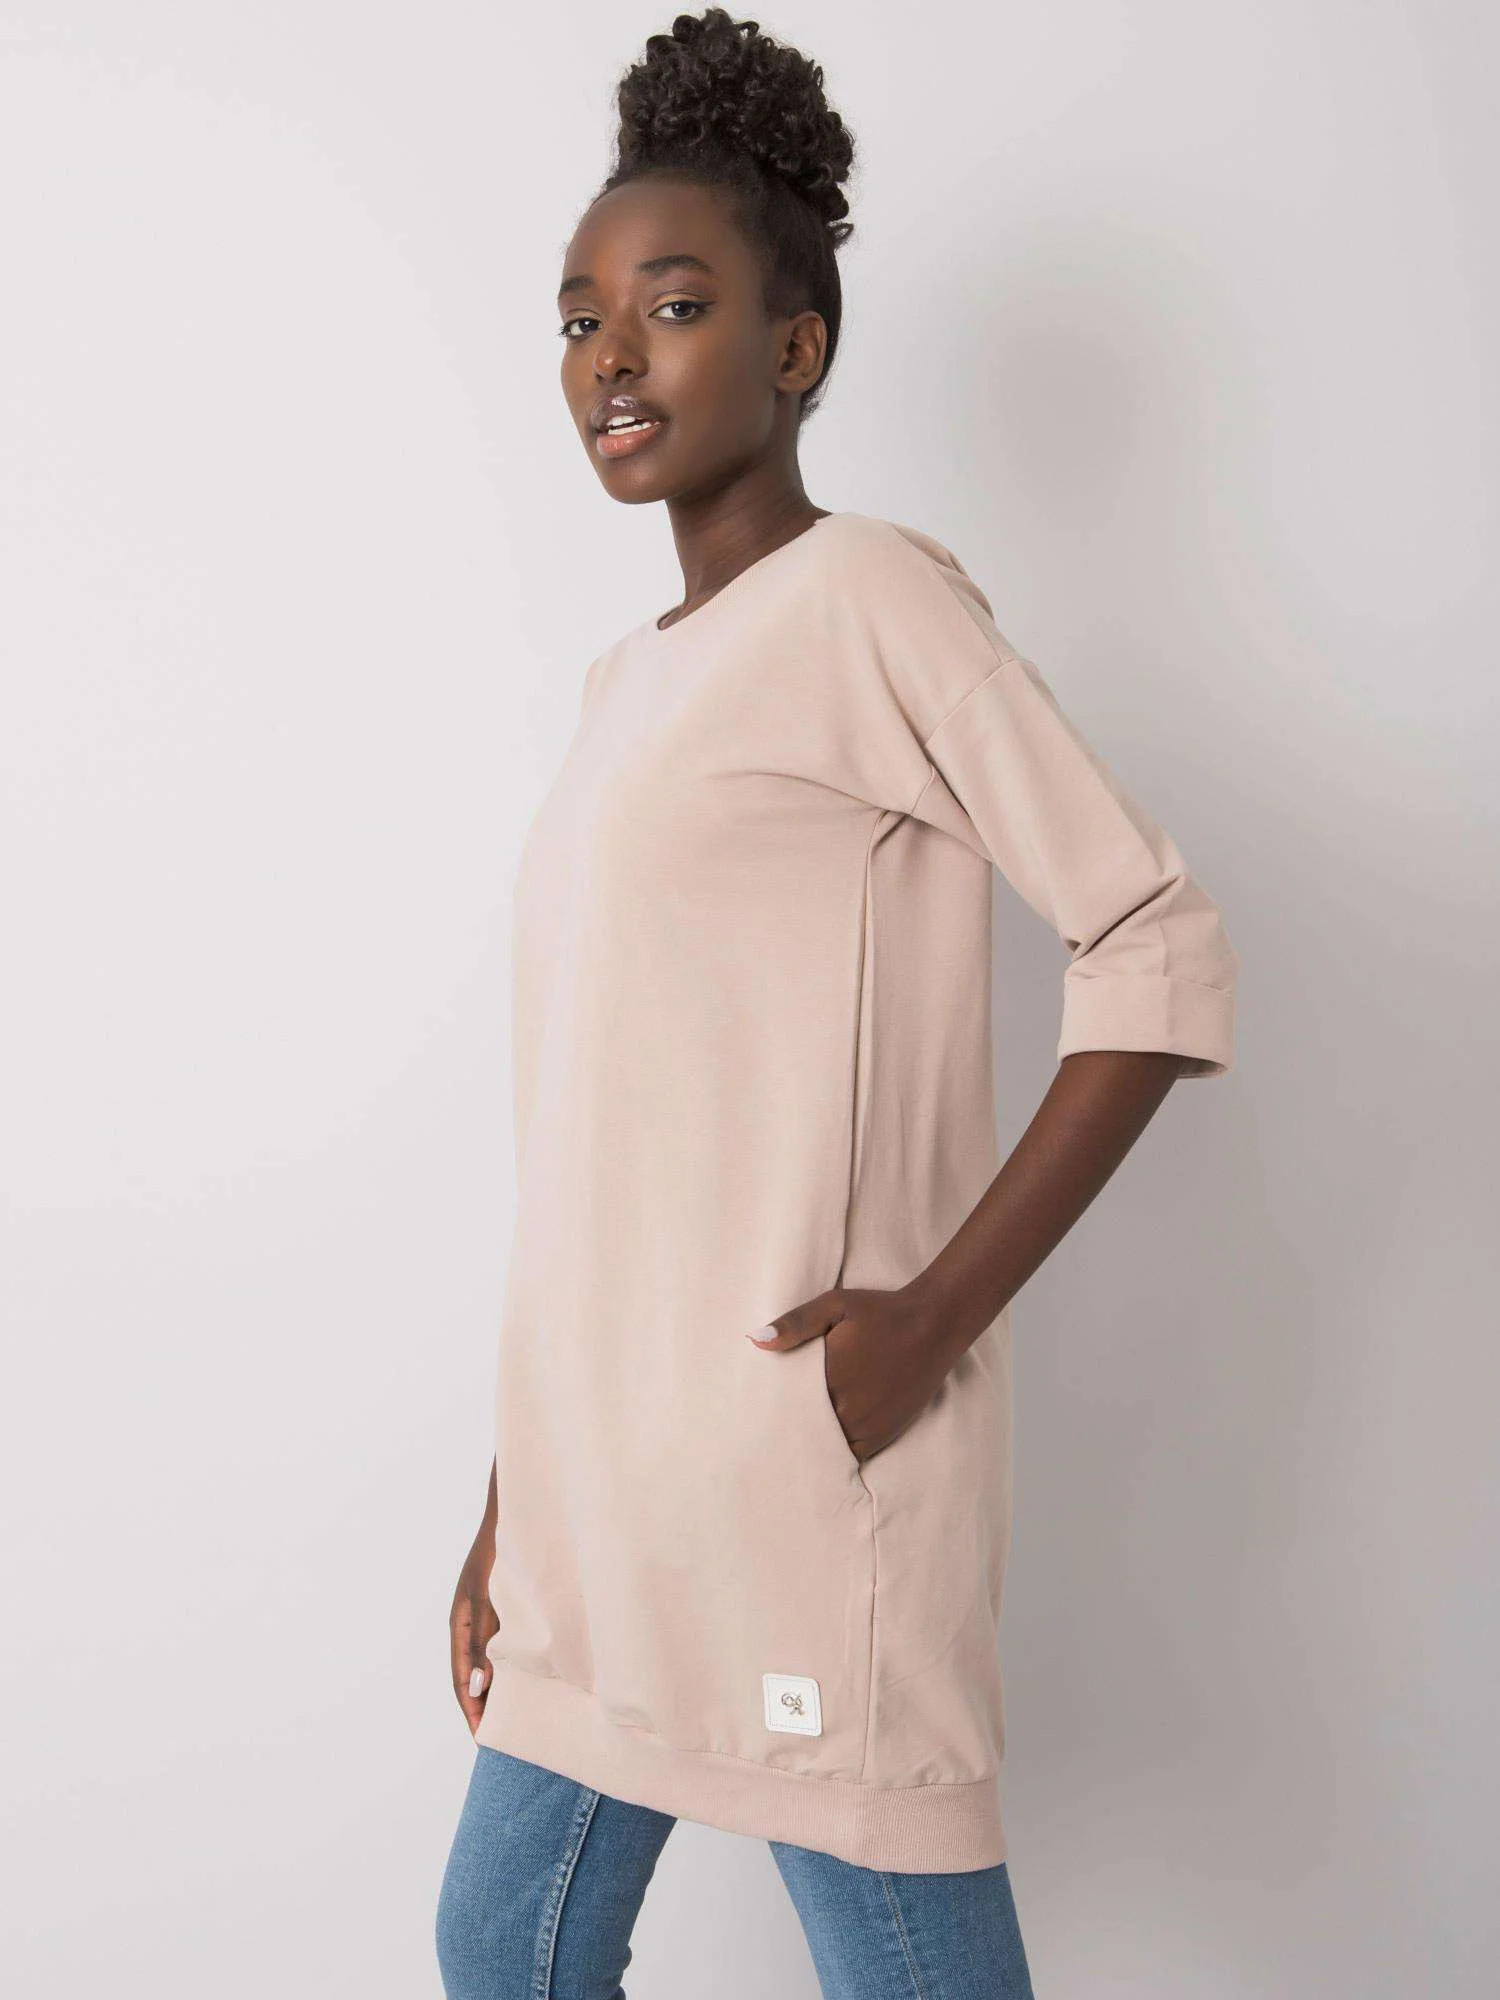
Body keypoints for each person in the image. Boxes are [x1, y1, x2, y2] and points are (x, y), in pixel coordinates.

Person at [435, 10, 1239, 1996]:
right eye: (580, 320)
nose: (612, 359)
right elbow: (614, 1125)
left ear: (795, 348)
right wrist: (516, 1495)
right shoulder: (627, 686)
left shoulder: (870, 599)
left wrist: (926, 1325)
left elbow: (1154, 939)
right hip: (602, 1504)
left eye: (674, 305)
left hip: (794, 1479)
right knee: (504, 1946)